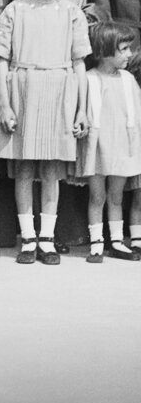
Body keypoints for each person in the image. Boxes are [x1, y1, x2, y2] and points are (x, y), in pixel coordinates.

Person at [0, 0, 89, 266]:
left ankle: (47, 238)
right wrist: (6, 105)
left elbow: (80, 63)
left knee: (53, 170)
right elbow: (1, 61)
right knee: (24, 169)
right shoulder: (16, 10)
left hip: (59, 93)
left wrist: (82, 109)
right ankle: (27, 237)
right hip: (23, 90)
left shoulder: (71, 13)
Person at [88, 0, 141, 253]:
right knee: (118, 158)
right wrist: (129, 55)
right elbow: (102, 25)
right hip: (124, 69)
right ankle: (108, 235)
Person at [75, 22, 141, 262]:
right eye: (123, 49)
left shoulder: (128, 80)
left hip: (123, 146)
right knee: (97, 196)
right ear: (104, 51)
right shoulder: (90, 79)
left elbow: (136, 115)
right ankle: (96, 242)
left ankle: (116, 240)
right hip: (98, 147)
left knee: (116, 196)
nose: (129, 54)